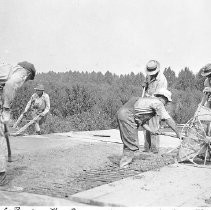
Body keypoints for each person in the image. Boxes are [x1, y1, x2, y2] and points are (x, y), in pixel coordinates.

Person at [117, 88, 180, 168]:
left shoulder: (147, 101)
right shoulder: (158, 103)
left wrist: (152, 130)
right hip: (127, 115)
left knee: (128, 140)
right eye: (166, 101)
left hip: (122, 113)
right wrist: (178, 133)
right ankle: (124, 165)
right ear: (162, 98)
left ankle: (125, 161)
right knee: (131, 141)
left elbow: (141, 122)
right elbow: (168, 119)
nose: (166, 104)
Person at [0, 61, 36, 186]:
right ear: (28, 74)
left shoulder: (6, 68)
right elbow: (10, 85)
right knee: (0, 141)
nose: (25, 82)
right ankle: (1, 180)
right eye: (27, 79)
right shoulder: (21, 72)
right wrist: (6, 109)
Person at [142, 60, 168, 153]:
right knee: (145, 126)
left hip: (155, 103)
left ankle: (154, 150)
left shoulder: (162, 80)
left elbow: (160, 95)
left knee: (153, 126)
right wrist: (145, 84)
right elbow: (146, 84)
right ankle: (146, 148)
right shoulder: (148, 75)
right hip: (146, 102)